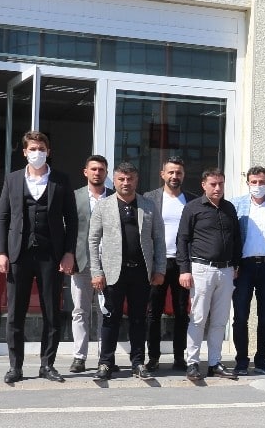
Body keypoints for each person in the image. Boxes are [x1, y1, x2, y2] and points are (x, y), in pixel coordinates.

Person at [0, 130, 77, 384]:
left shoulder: (61, 180)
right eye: (32, 149)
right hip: (19, 254)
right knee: (15, 313)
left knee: (51, 312)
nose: (37, 153)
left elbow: (72, 220)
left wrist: (69, 252)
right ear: (24, 152)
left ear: (48, 152)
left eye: (41, 149)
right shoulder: (13, 179)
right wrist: (1, 252)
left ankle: (47, 365)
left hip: (50, 255)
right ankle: (15, 366)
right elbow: (2, 218)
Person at [88, 162, 166, 380]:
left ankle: (138, 363)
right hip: (113, 272)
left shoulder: (148, 205)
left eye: (129, 179)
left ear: (136, 180)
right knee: (110, 318)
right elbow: (93, 240)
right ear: (114, 180)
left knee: (138, 319)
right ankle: (106, 363)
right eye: (121, 179)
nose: (125, 183)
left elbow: (159, 239)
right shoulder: (103, 206)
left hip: (141, 272)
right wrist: (96, 271)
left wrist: (159, 268)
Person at [178, 168, 241, 381]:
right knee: (198, 318)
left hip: (226, 270)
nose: (217, 188)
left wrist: (236, 264)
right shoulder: (193, 208)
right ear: (204, 185)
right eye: (213, 184)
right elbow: (182, 240)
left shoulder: (229, 208)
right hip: (201, 269)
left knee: (220, 321)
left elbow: (237, 238)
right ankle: (192, 363)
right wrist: (184, 270)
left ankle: (215, 363)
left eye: (221, 183)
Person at [231, 166, 265, 375]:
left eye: (261, 182)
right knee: (240, 316)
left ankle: (262, 359)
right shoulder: (236, 204)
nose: (257, 185)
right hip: (243, 267)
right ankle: (241, 361)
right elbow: (232, 236)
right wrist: (233, 264)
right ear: (248, 183)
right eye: (253, 182)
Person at [145, 157, 197, 371]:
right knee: (153, 312)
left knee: (181, 312)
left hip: (182, 263)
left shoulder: (192, 200)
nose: (175, 176)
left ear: (183, 175)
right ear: (162, 174)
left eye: (179, 173)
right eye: (171, 172)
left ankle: (179, 357)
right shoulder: (149, 198)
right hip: (157, 262)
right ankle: (153, 357)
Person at [69, 155, 113, 373]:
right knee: (80, 311)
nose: (97, 173)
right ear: (85, 172)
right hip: (81, 262)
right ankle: (79, 357)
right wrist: (67, 256)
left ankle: (104, 358)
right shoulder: (75, 197)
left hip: (110, 265)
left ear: (106, 173)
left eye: (101, 169)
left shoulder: (114, 197)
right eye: (93, 169)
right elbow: (68, 229)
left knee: (106, 312)